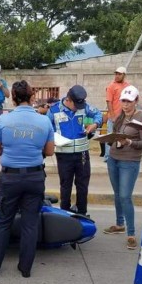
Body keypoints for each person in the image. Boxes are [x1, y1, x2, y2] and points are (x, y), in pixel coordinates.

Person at [0, 80, 54, 279]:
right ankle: (25, 268)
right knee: (30, 224)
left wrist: (11, 150)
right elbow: (49, 151)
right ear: (31, 98)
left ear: (12, 99)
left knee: (3, 222)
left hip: (10, 177)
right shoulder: (44, 121)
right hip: (35, 176)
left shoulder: (4, 120)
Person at [103, 86, 142, 250]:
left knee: (125, 196)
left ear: (136, 101)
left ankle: (131, 233)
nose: (125, 104)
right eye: (123, 101)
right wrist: (108, 139)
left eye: (129, 101)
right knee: (117, 194)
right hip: (114, 159)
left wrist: (130, 142)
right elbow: (115, 136)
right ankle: (119, 224)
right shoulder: (120, 116)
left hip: (129, 162)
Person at [46, 85, 103, 216]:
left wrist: (94, 125)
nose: (79, 108)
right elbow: (47, 128)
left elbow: (98, 114)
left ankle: (82, 213)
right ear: (69, 100)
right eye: (76, 105)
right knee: (65, 186)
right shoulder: (54, 110)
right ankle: (65, 214)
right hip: (63, 155)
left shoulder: (84, 107)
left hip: (82, 154)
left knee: (82, 186)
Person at [105, 66, 130, 162]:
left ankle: (120, 155)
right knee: (111, 136)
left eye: (119, 74)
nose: (117, 76)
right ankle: (108, 156)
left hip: (124, 117)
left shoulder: (128, 86)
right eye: (116, 74)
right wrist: (112, 116)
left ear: (124, 75)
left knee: (122, 136)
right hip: (114, 117)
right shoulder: (111, 86)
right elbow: (109, 101)